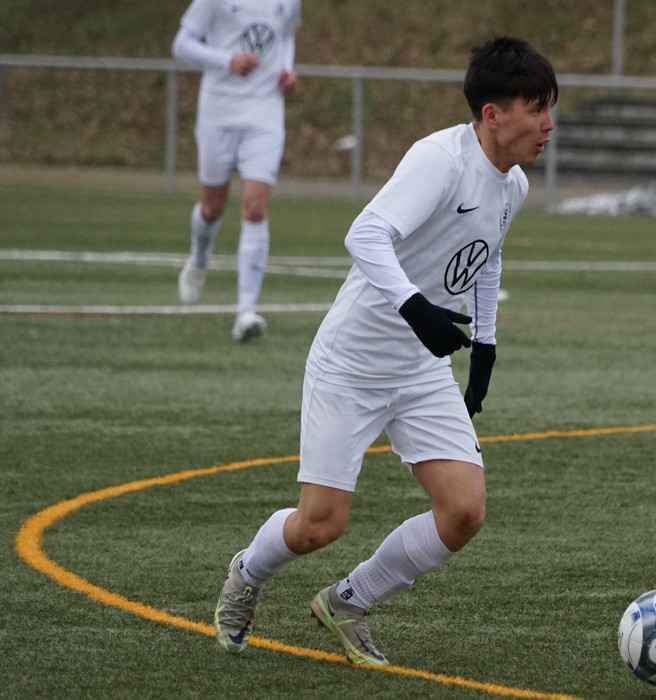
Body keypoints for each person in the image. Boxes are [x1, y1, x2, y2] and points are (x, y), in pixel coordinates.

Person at [212, 36, 558, 665]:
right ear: (492, 115)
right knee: (319, 525)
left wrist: (485, 347)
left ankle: (348, 602)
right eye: (536, 109)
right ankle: (248, 573)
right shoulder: (440, 160)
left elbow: (487, 257)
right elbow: (365, 233)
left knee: (464, 510)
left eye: (549, 108)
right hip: (353, 364)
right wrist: (416, 307)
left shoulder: (513, 185)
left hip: (421, 368)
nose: (548, 124)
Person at [171, 0, 301, 342]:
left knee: (255, 207)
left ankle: (246, 311)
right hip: (219, 112)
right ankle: (199, 259)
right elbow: (182, 44)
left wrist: (286, 69)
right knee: (212, 208)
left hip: (265, 112)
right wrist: (227, 60)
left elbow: (286, 35)